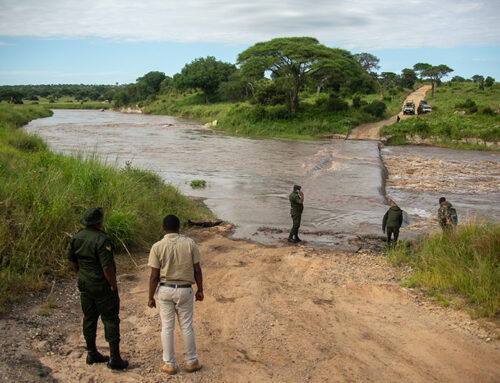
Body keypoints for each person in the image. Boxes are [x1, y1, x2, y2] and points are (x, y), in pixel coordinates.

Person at [67, 208, 128, 370]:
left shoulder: (76, 237)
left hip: (85, 284)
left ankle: (92, 352)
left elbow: (72, 261)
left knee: (89, 317)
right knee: (110, 319)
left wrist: (80, 275)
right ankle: (115, 358)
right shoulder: (101, 239)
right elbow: (107, 266)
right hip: (101, 285)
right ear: (99, 222)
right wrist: (113, 284)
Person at [148, 214, 204, 375]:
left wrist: (150, 297)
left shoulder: (157, 246)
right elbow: (197, 270)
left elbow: (154, 276)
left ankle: (169, 364)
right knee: (186, 326)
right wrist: (200, 290)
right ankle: (191, 362)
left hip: (165, 289)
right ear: (179, 227)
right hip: (185, 289)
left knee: (167, 327)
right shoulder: (189, 243)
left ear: (163, 228)